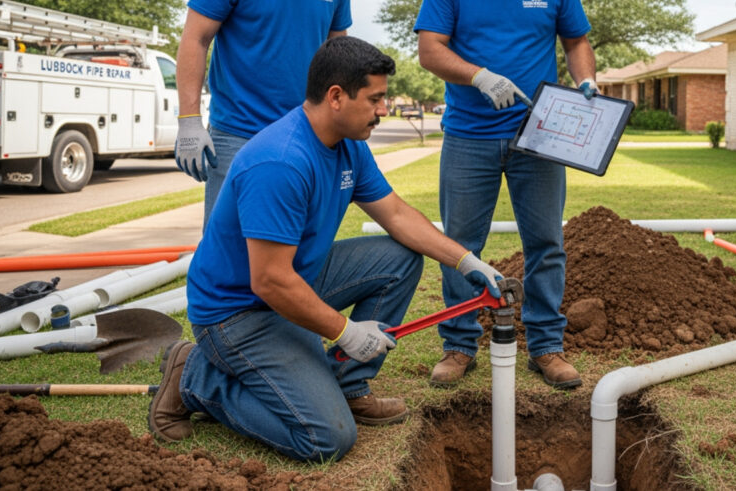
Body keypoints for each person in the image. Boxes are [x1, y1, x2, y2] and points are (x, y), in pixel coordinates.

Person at [148, 36, 505, 463]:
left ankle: (348, 386)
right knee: (326, 439)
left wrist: (465, 260)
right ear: (336, 96)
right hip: (236, 314)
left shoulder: (349, 144)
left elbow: (394, 214)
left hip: (294, 281)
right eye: (375, 99)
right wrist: (346, 332)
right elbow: (269, 281)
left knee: (400, 258)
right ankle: (196, 378)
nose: (384, 110)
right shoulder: (280, 162)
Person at [414, 0, 597, 390]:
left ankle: (545, 345)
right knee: (460, 245)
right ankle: (458, 344)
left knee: (545, 242)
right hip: (469, 136)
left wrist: (586, 82)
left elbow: (576, 38)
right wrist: (477, 76)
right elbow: (430, 50)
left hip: (537, 135)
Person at [173, 0, 357, 227]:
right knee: (229, 252)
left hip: (307, 134)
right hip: (238, 135)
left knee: (298, 246)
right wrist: (190, 121)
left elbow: (340, 59)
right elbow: (196, 39)